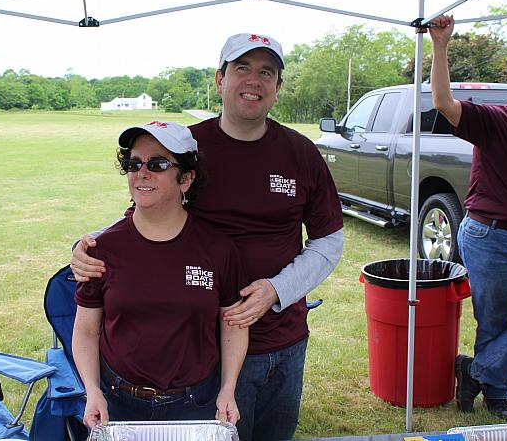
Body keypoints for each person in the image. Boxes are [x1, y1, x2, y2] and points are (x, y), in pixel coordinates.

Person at [72, 33, 344, 441]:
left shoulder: (300, 153)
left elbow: (329, 241)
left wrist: (276, 290)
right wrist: (87, 245)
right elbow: (147, 208)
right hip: (204, 345)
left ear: (278, 87)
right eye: (241, 69)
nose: (253, 81)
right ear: (220, 79)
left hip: (282, 336)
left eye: (266, 72)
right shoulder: (189, 146)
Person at [71, 121, 249, 428]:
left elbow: (233, 323)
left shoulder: (218, 249)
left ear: (186, 178)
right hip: (119, 402)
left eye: (158, 164)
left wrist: (228, 388)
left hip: (196, 402)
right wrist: (93, 391)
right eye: (133, 163)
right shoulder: (103, 250)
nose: (142, 173)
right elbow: (86, 329)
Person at [429, 15, 507, 423]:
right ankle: (498, 395)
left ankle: (475, 371)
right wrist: (441, 45)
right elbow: (443, 103)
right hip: (492, 237)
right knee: (496, 321)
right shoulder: (493, 120)